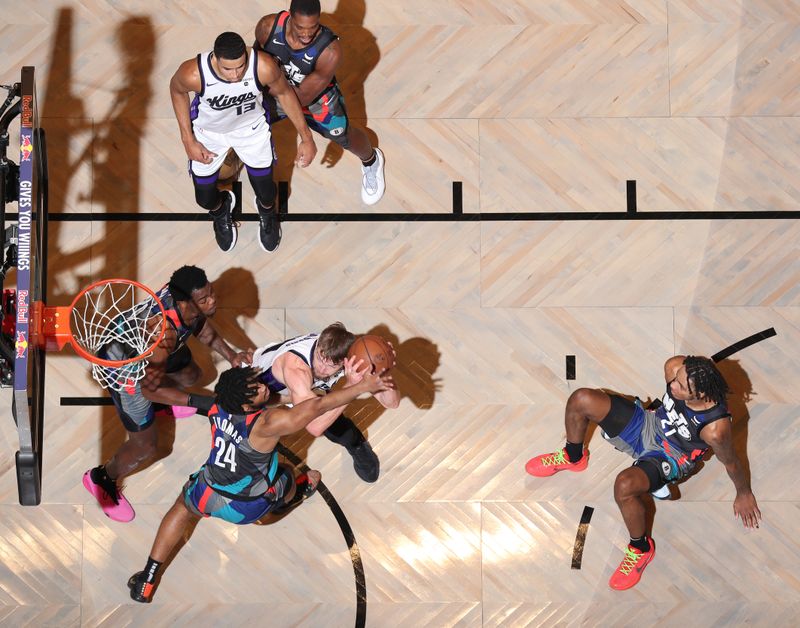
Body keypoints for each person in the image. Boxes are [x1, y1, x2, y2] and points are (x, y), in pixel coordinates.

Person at [127, 363, 394, 603]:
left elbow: (158, 393)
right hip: (246, 507)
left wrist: (133, 377)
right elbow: (316, 407)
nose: (264, 387)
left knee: (181, 508)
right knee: (288, 472)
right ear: (245, 405)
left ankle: (147, 579)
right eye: (257, 389)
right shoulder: (267, 423)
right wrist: (360, 386)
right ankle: (298, 492)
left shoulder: (215, 404)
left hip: (208, 491)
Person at [525, 355, 761, 590]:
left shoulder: (715, 429)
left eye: (680, 386)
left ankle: (640, 548)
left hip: (672, 454)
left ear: (699, 395)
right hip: (650, 424)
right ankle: (573, 457)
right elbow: (674, 377)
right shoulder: (674, 367)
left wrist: (743, 492)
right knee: (581, 399)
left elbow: (731, 463)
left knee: (624, 486)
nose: (672, 385)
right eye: (676, 379)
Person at [83, 266, 250, 523]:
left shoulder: (185, 305)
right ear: (185, 303)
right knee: (146, 446)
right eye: (205, 299)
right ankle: (101, 478)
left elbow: (201, 326)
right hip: (128, 375)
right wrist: (201, 401)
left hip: (150, 356)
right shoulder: (163, 335)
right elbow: (148, 389)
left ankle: (165, 403)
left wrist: (232, 356)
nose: (213, 300)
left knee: (191, 375)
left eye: (211, 293)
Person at [170, 31, 317, 253]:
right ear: (215, 59)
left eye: (240, 66)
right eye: (228, 69)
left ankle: (267, 214)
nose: (236, 74)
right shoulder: (193, 72)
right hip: (210, 133)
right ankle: (221, 209)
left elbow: (286, 94)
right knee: (204, 199)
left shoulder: (263, 66)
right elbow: (177, 91)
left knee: (267, 194)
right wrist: (187, 140)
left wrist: (307, 138)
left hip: (251, 130)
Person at [255, 0, 386, 206]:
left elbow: (302, 98)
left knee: (342, 135)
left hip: (313, 98)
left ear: (319, 21)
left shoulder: (329, 50)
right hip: (276, 91)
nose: (306, 34)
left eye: (312, 28)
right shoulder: (267, 28)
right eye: (300, 28)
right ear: (289, 16)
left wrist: (305, 137)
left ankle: (371, 160)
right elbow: (258, 66)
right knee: (246, 122)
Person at [250, 323, 400, 483]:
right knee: (252, 450)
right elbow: (314, 427)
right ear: (318, 345)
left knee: (333, 415)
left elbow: (392, 402)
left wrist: (381, 370)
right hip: (258, 393)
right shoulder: (297, 368)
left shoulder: (349, 354)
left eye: (332, 366)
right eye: (321, 358)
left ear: (344, 361)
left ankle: (355, 443)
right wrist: (352, 386)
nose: (322, 369)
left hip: (299, 392)